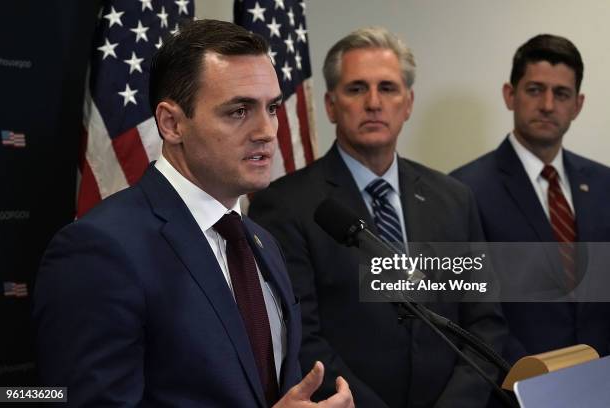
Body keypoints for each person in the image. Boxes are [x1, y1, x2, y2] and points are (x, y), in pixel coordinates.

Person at [34, 19, 353, 408]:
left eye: (271, 107)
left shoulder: (262, 243)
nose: (268, 130)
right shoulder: (100, 249)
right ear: (171, 123)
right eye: (239, 111)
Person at [249, 27, 506, 407]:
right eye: (356, 89)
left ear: (408, 103)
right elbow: (303, 338)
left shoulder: (454, 198)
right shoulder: (284, 204)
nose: (373, 102)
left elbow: (485, 323)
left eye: (387, 88)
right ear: (332, 105)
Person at [451, 34, 610, 363]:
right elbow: (470, 309)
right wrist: (532, 380)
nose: (548, 105)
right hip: (514, 389)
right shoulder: (464, 190)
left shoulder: (604, 184)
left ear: (577, 105)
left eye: (561, 94)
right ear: (510, 95)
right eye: (535, 90)